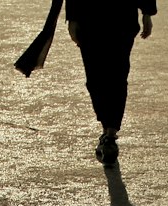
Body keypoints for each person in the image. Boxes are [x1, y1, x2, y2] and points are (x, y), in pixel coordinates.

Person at [65, 0, 156, 166]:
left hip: (121, 18)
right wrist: (72, 18)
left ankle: (111, 132)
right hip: (90, 19)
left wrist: (147, 13)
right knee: (95, 79)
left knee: (118, 75)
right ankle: (107, 128)